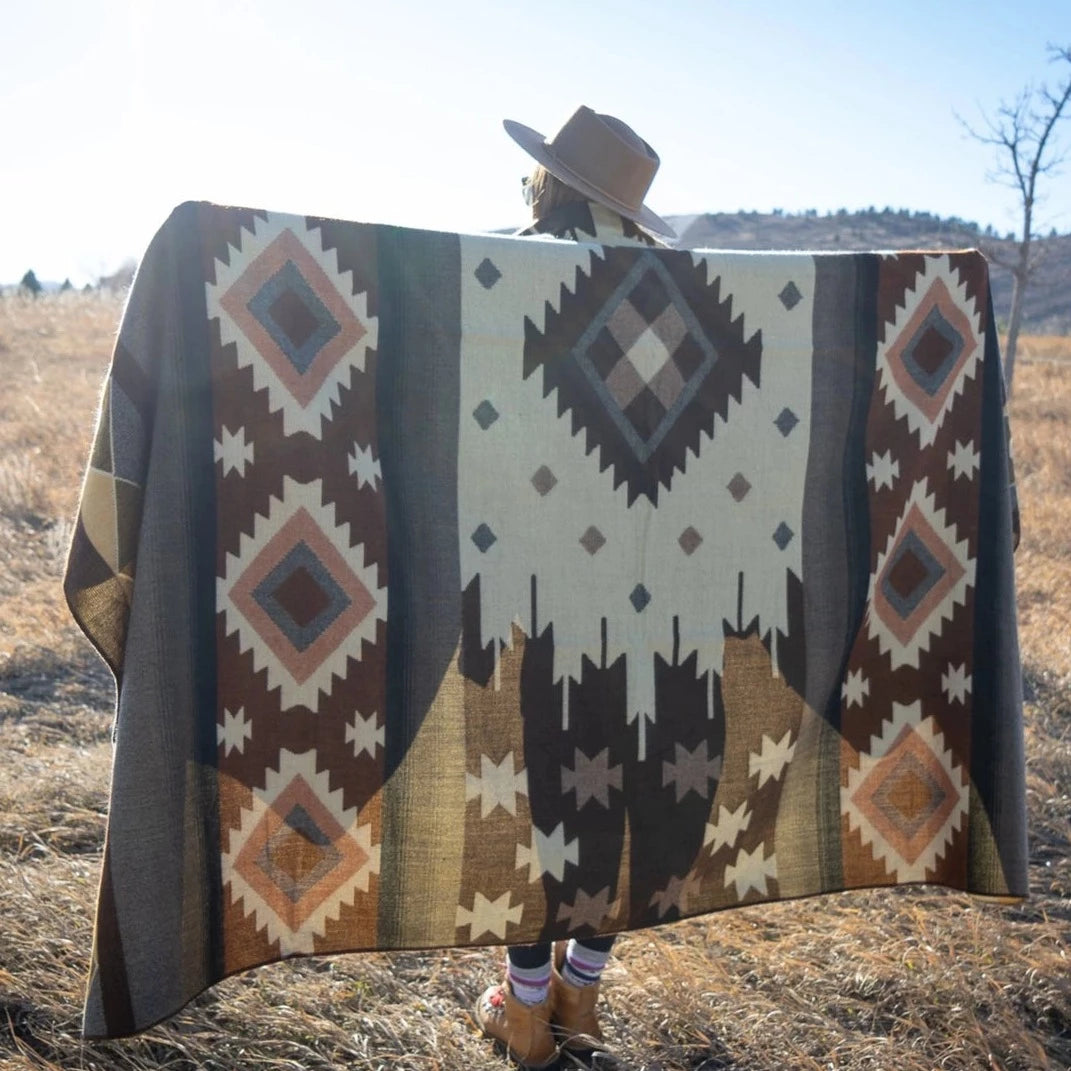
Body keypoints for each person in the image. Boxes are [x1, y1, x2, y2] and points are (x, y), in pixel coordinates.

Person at [475, 105, 677, 1069]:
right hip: (646, 577)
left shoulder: (500, 266)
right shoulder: (678, 296)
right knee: (623, 787)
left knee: (525, 792)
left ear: (547, 179)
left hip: (521, 572)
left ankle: (523, 1016)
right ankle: (581, 998)